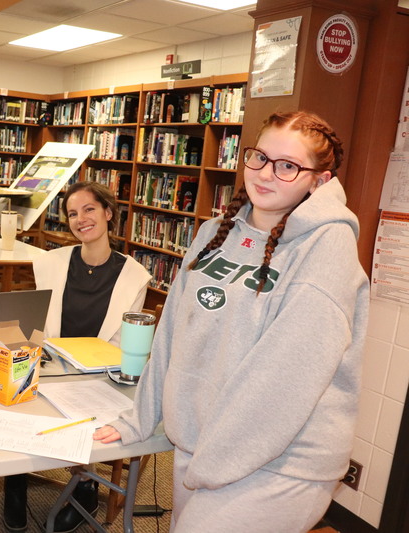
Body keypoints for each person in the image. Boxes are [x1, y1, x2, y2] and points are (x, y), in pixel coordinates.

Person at [94, 111, 370, 532]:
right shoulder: (213, 233)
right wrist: (139, 418)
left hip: (282, 460)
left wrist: (218, 460)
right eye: (259, 157)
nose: (265, 173)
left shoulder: (327, 246)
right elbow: (171, 335)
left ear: (321, 179)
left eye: (288, 166)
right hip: (206, 443)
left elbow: (285, 375)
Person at [3, 180, 151, 533]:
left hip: (97, 375)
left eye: (89, 209)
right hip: (50, 365)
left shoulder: (133, 277)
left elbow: (121, 346)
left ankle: (85, 485)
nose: (81, 218)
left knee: (92, 411)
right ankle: (14, 478)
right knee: (9, 388)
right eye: (72, 213)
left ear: (108, 213)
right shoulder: (51, 263)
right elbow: (39, 328)